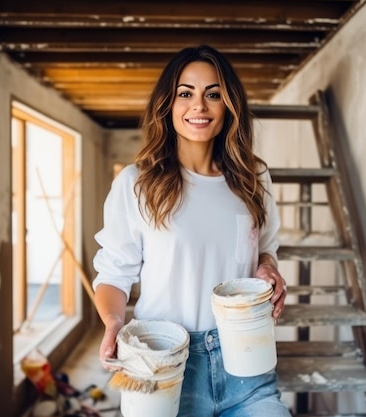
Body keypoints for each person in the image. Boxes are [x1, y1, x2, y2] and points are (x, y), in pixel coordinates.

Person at [92, 44, 290, 417]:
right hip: (164, 363)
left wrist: (267, 266)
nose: (199, 106)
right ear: (168, 104)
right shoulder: (137, 183)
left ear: (228, 106)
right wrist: (114, 323)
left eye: (213, 94)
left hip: (246, 357)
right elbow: (114, 274)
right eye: (186, 93)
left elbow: (265, 248)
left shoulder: (254, 178)